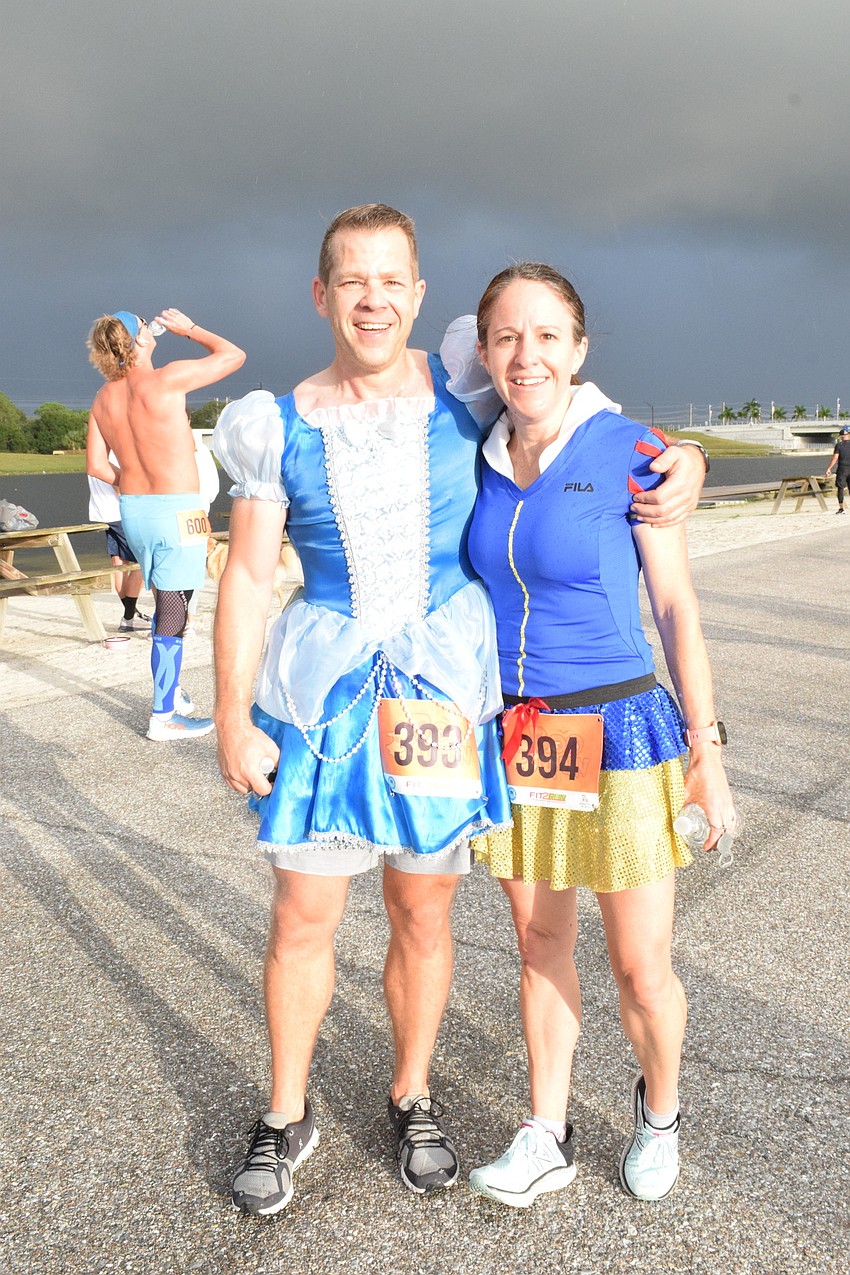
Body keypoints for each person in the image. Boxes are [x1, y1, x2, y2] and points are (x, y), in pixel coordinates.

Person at [211, 205, 708, 1217]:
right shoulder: (275, 421)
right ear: (321, 295)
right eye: (352, 280)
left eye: (392, 278)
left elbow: (557, 382)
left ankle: (416, 1095)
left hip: (443, 695)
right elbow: (246, 577)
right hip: (330, 700)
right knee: (307, 912)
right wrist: (229, 711)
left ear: (419, 294)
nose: (373, 297)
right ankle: (284, 1111)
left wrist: (676, 455)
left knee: (425, 908)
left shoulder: (459, 387)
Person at [462, 262, 735, 1206]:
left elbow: (675, 604)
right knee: (539, 945)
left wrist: (709, 752)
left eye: (546, 336)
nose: (524, 354)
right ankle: (547, 1128)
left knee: (638, 961)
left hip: (620, 729)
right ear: (484, 348)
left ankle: (659, 1110)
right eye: (505, 335)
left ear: (580, 351)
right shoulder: (479, 449)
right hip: (519, 733)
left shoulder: (631, 449)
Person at [86, 309, 245, 739]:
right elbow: (233, 355)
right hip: (179, 509)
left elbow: (96, 465)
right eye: (145, 324)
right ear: (139, 339)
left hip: (136, 509)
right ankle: (164, 716)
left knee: (166, 598)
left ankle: (171, 692)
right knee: (175, 608)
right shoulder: (167, 379)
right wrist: (190, 329)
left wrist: (129, 480)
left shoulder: (103, 398)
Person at [87, 458, 150, 631]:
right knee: (140, 563)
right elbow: (120, 483)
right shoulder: (116, 449)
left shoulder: (99, 451)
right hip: (121, 513)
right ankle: (129, 618)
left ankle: (131, 615)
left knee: (119, 564)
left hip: (103, 513)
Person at [824, 424, 850, 514]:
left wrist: (829, 468)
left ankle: (841, 508)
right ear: (848, 435)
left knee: (840, 488)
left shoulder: (839, 445)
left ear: (841, 437)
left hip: (842, 469)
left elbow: (835, 458)